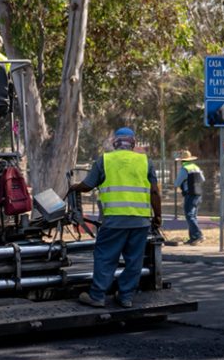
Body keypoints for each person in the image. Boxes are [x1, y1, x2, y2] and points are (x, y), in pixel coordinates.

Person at [68, 128, 163, 308]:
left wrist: (74, 188)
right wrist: (157, 216)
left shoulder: (105, 160)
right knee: (134, 260)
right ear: (133, 143)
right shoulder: (145, 162)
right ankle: (126, 297)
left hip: (114, 221)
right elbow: (155, 192)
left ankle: (97, 296)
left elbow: (87, 186)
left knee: (105, 257)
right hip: (140, 220)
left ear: (115, 143)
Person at [173, 150, 204, 244]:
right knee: (193, 216)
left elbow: (177, 183)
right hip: (198, 194)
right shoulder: (196, 167)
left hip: (189, 194)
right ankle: (193, 238)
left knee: (189, 215)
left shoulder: (184, 169)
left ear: (182, 161)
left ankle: (198, 235)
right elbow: (203, 179)